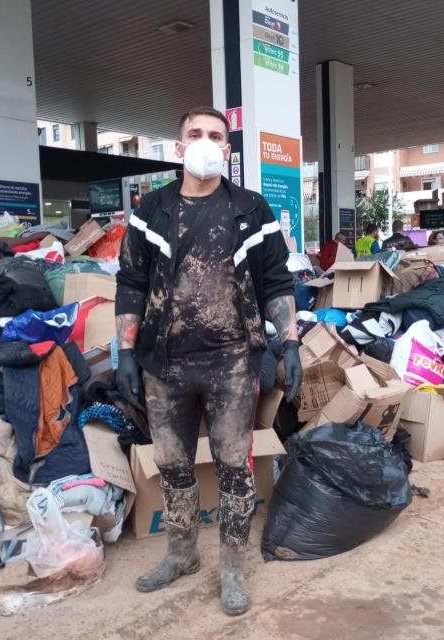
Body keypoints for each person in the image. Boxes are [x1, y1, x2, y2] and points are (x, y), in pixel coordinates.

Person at [115, 106, 303, 615]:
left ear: (227, 149)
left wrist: (289, 342)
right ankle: (181, 554)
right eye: (193, 134)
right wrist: (126, 351)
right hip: (165, 364)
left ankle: (232, 568)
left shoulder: (251, 208)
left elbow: (278, 282)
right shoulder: (149, 209)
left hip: (233, 363)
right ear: (178, 147)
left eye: (215, 135)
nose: (204, 141)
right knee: (173, 464)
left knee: (233, 467)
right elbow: (131, 282)